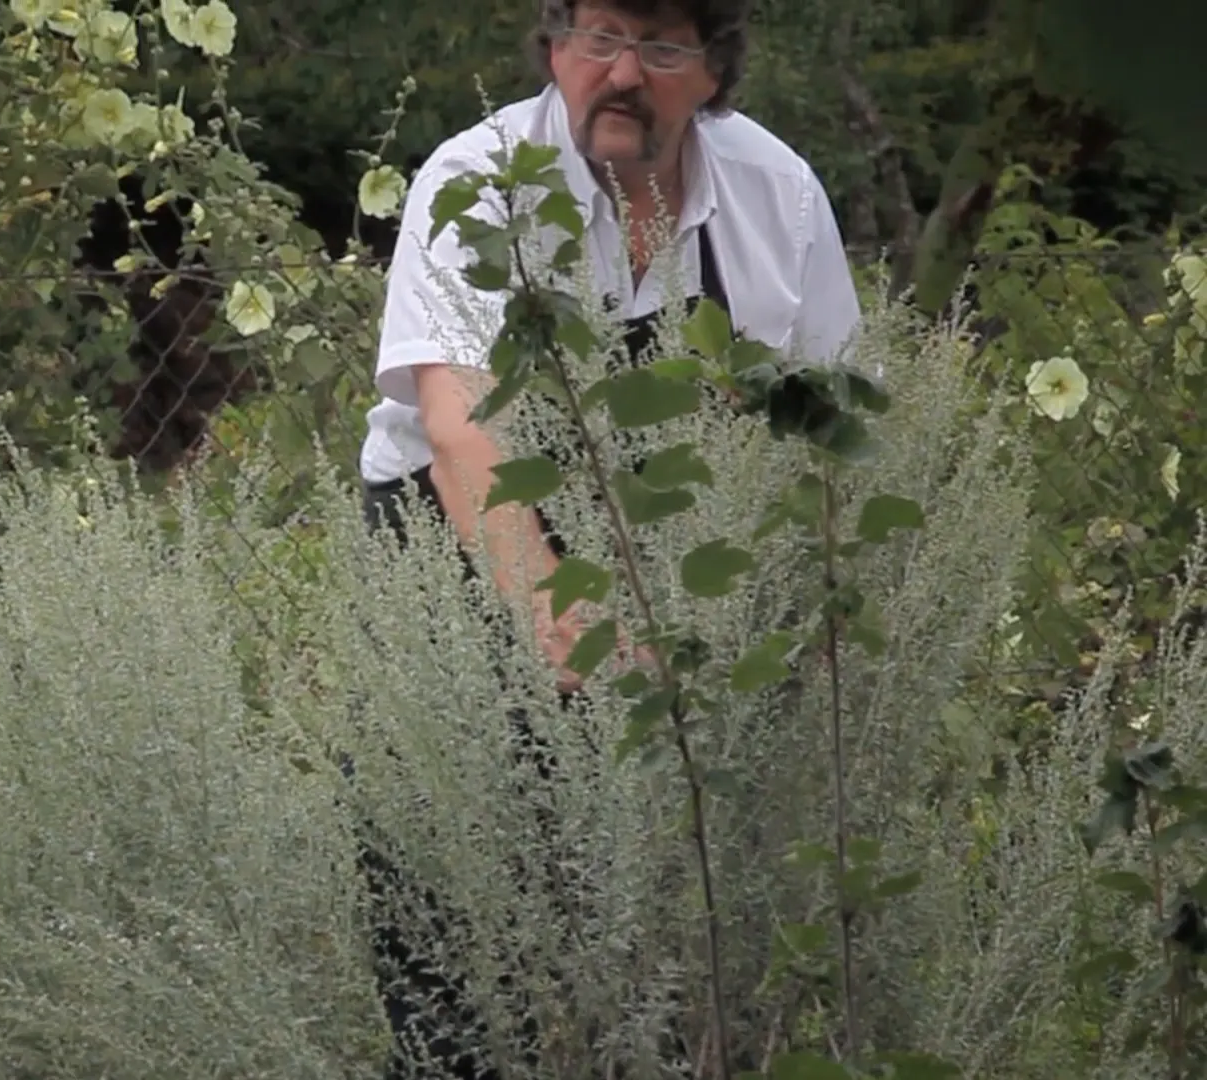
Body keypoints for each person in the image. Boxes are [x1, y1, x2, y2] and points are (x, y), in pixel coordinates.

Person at [349, 1, 863, 1076]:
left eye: (662, 48)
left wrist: (791, 626)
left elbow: (827, 425)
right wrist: (578, 642)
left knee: (679, 915)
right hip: (456, 546)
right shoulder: (476, 178)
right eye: (599, 39)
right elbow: (459, 431)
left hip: (679, 546)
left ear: (716, 72)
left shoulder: (780, 196)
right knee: (451, 895)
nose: (622, 74)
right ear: (554, 49)